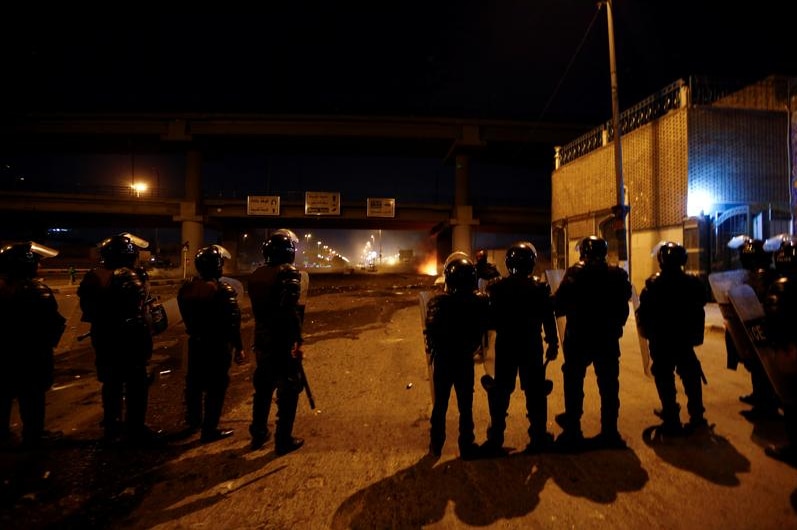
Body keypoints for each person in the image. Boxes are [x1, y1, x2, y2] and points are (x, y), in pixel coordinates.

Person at [77, 232, 160, 444]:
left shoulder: (92, 278)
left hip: (103, 336)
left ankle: (112, 427)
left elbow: (87, 309)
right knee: (136, 384)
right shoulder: (130, 277)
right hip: (130, 338)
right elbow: (138, 309)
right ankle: (136, 429)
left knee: (111, 383)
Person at [553, 235, 632, 451]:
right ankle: (609, 431)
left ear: (584, 252)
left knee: (574, 382)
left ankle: (573, 430)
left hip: (579, 337)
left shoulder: (575, 273)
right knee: (608, 385)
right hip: (607, 338)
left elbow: (559, 304)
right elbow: (626, 298)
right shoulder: (617, 274)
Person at [481, 241, 559, 455]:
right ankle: (538, 436)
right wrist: (553, 342)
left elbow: (489, 321)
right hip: (531, 345)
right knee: (535, 392)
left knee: (501, 391)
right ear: (531, 263)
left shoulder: (496, 288)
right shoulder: (539, 287)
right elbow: (548, 318)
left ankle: (495, 438)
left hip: (506, 344)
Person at [636, 242, 708, 435]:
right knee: (691, 374)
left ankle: (671, 415)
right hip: (684, 339)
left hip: (662, 341)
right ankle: (697, 415)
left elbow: (643, 313)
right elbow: (703, 300)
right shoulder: (693, 283)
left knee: (664, 376)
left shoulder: (652, 285)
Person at [0, 241, 66, 449]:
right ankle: (33, 436)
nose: (40, 267)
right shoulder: (36, 290)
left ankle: (3, 436)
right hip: (30, 354)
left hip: (4, 354)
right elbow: (53, 322)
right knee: (32, 397)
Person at [177, 245, 244, 443]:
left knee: (194, 383)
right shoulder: (224, 291)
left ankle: (193, 421)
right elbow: (233, 323)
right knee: (216, 387)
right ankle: (209, 429)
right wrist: (239, 347)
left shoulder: (186, 289)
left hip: (196, 343)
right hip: (217, 345)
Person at [424, 254, 489, 460]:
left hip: (443, 360)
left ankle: (436, 444)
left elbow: (430, 332)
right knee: (465, 406)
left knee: (440, 405)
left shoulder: (437, 303)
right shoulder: (479, 302)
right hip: (464, 359)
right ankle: (467, 445)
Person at [247, 229, 306, 455]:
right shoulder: (288, 273)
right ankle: (283, 440)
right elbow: (289, 312)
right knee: (289, 389)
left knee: (262, 388)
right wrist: (297, 340)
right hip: (281, 339)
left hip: (262, 336)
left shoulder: (257, 274)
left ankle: (258, 433)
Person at [728, 237, 781, 420]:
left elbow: (755, 299)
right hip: (759, 326)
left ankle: (765, 405)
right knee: (757, 366)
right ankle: (760, 397)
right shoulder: (765, 273)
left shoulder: (760, 276)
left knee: (761, 367)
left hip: (761, 326)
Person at [762, 235, 797, 464]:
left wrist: (778, 346)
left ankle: (793, 447)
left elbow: (775, 321)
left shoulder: (781, 287)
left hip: (790, 348)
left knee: (792, 399)